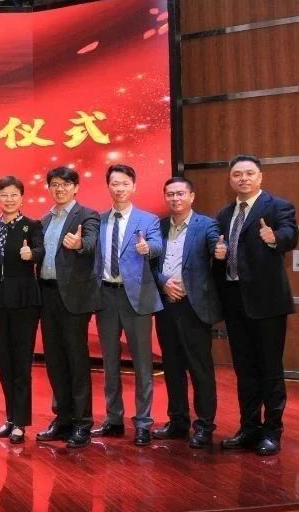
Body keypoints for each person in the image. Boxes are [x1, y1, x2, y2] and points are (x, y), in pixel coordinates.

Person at [213, 155, 298, 456]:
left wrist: (275, 238)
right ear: (230, 179)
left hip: (267, 302)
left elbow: (291, 235)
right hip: (235, 301)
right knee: (244, 369)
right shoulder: (225, 214)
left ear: (260, 177)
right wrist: (219, 255)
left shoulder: (277, 207)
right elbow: (222, 250)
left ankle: (272, 431)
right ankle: (249, 427)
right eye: (237, 174)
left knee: (270, 369)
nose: (243, 179)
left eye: (249, 173)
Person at [91, 164, 163, 445]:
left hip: (137, 297)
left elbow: (157, 245)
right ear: (108, 186)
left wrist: (148, 248)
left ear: (134, 186)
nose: (119, 188)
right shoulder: (99, 220)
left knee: (143, 363)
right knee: (109, 362)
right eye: (114, 183)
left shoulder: (148, 219)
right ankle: (114, 419)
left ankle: (143, 422)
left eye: (124, 183)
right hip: (106, 297)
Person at [35, 166, 102, 449]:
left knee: (76, 360)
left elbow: (91, 243)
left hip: (74, 299)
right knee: (54, 361)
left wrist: (78, 244)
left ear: (76, 187)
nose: (59, 189)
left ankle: (82, 423)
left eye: (65, 184)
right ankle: (62, 418)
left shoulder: (87, 215)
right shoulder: (44, 219)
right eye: (54, 184)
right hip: (47, 295)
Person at [153, 176, 222, 449]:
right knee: (172, 367)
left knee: (200, 369)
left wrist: (221, 250)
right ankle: (178, 422)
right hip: (166, 304)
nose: (175, 198)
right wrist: (163, 283)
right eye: (170, 194)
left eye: (180, 193)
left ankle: (204, 426)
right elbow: (150, 265)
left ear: (191, 196)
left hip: (194, 307)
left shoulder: (206, 225)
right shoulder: (158, 226)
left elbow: (216, 246)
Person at [0, 176, 44, 445]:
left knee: (21, 363)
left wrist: (33, 255)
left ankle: (20, 422)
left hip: (24, 302)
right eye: (4, 195)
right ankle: (10, 417)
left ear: (22, 197)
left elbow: (41, 250)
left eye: (14, 194)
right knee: (4, 363)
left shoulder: (32, 225)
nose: (9, 199)